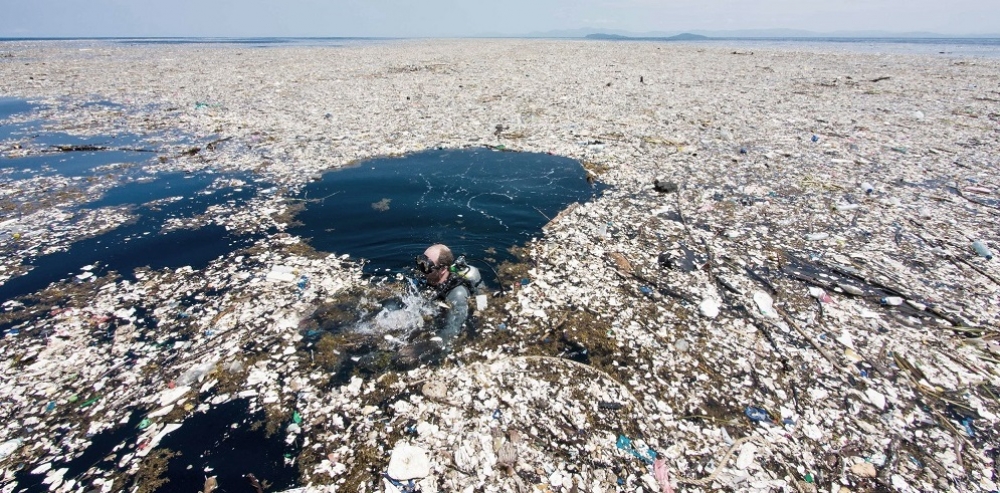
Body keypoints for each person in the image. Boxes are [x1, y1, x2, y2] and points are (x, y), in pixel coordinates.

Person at [414, 243, 483, 347]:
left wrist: (417, 350)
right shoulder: (430, 278)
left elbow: (452, 332)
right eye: (420, 261)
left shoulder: (457, 295)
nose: (421, 269)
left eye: (426, 265)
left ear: (442, 270)